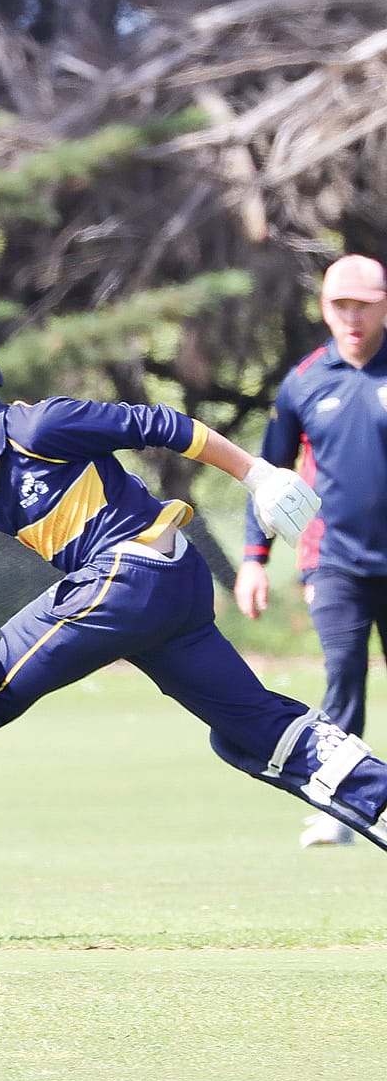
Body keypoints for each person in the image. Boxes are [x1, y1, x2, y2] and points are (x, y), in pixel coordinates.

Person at [0, 328, 387, 943]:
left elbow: (157, 424)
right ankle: (378, 795)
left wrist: (256, 474)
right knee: (257, 735)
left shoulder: (39, 427)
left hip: (134, 572)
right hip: (159, 594)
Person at [233, 255, 387, 848]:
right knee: (343, 678)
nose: (352, 317)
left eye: (364, 306)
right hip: (335, 561)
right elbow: (265, 476)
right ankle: (345, 806)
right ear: (325, 309)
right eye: (340, 306)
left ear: (382, 307)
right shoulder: (304, 382)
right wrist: (253, 558)